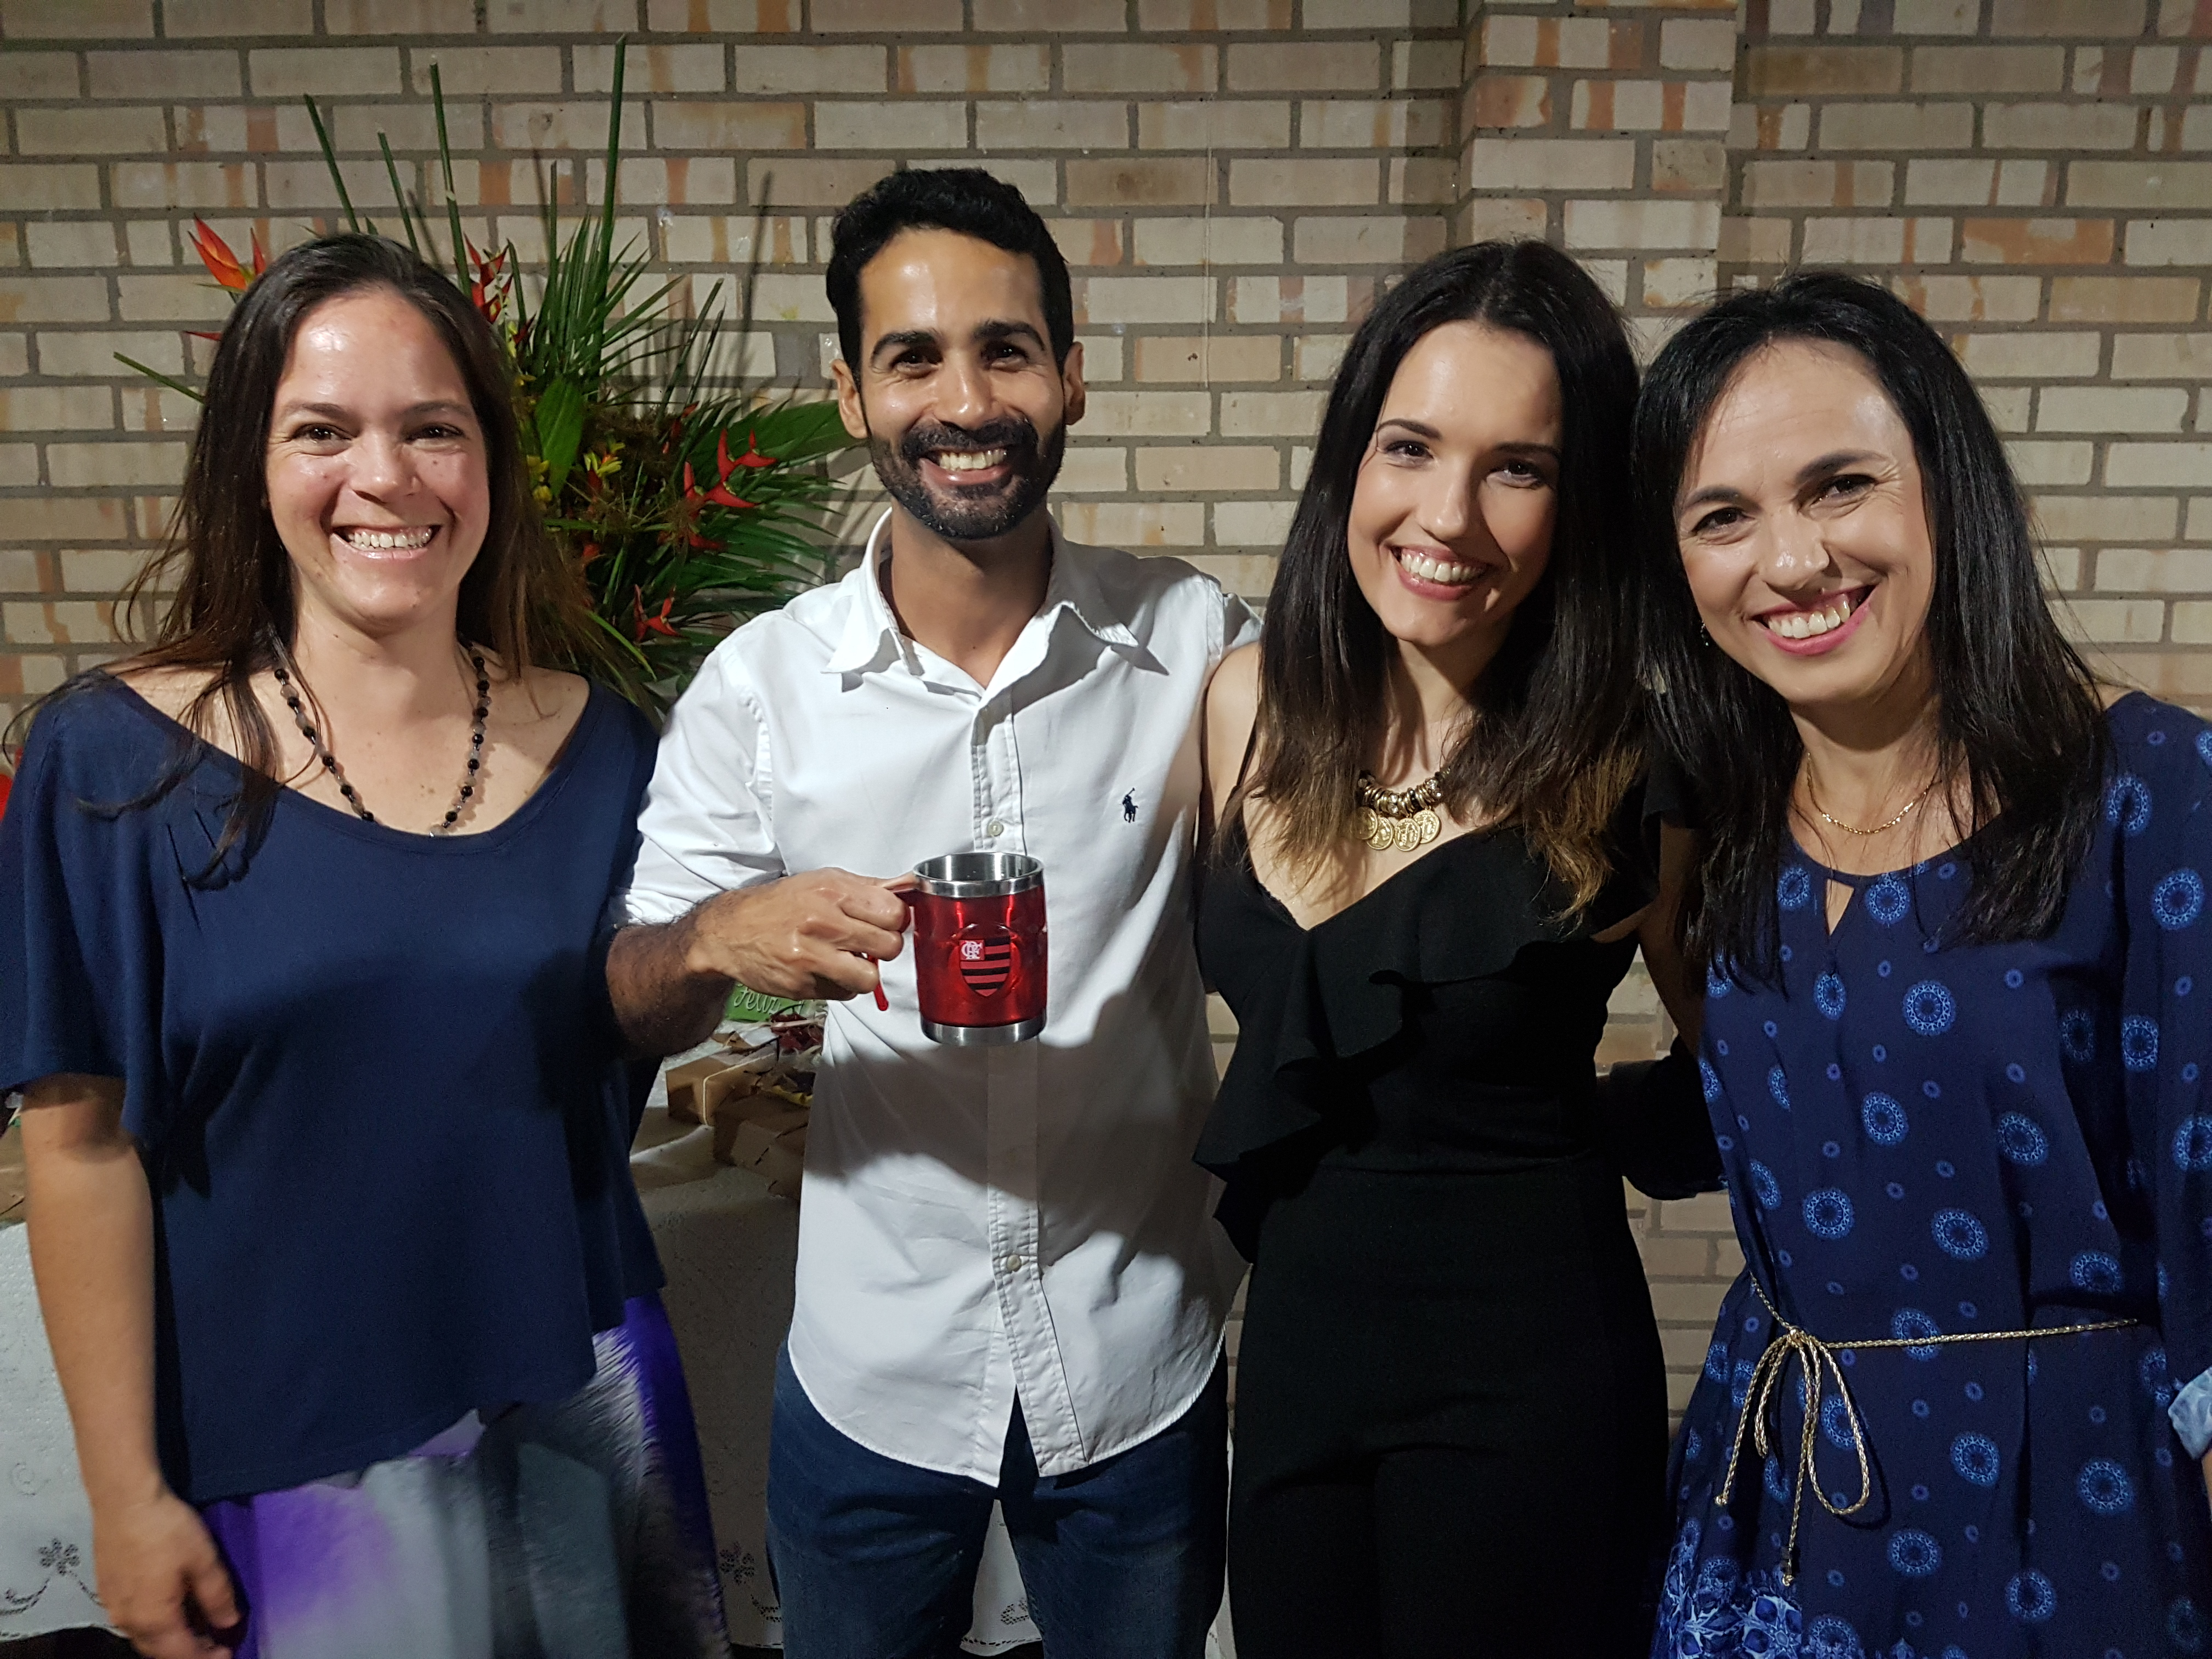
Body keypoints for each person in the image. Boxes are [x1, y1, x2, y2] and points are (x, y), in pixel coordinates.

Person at [0, 234, 725, 1659]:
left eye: (432, 428)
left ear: (492, 461)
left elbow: (620, 1058)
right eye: (322, 431)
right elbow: (78, 1149)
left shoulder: (607, 750)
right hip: (294, 1442)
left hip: (578, 1401)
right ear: (250, 465)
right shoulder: (114, 762)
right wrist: (125, 1493)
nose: (385, 477)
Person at [605, 167, 1255, 1659]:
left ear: (1071, 375)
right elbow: (627, 990)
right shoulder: (762, 689)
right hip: (874, 1374)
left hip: (1136, 1356)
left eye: (1005, 351)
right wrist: (713, 940)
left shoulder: (1196, 642)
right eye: (913, 359)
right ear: (851, 393)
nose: (965, 402)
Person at [1637, 271, 2212, 1657]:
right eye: (1723, 517)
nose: (1791, 561)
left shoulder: (2152, 790)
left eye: (1840, 486)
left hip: (2065, 1518)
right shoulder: (1730, 822)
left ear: (1948, 489)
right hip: (1777, 1501)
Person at [1193, 240, 1707, 1658]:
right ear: (1350, 460)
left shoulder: (1636, 760)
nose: (1448, 515)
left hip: (1531, 1379)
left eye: (1517, 469)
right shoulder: (1244, 705)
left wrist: (1595, 1119)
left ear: (1578, 503)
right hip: (1291, 1363)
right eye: (1411, 447)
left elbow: (1750, 1069)